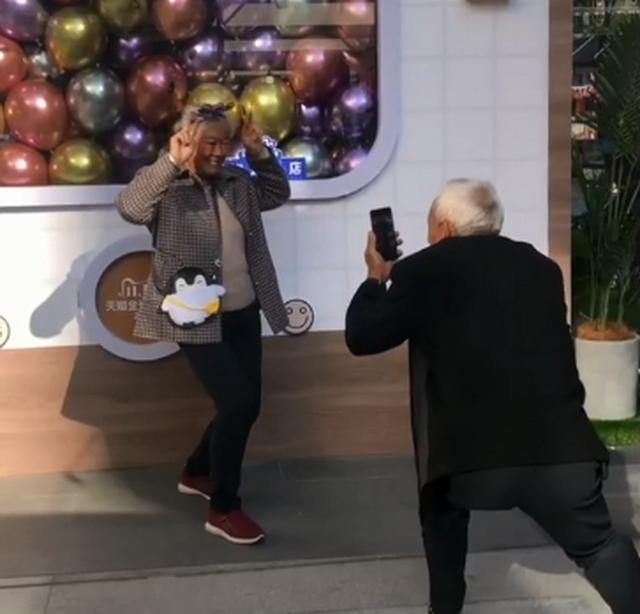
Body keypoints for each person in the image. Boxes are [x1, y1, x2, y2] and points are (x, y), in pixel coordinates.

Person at [345, 179, 640, 614]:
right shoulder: (541, 268)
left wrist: (377, 275)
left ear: (445, 228)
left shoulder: (423, 270)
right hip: (563, 453)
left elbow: (362, 336)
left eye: (430, 227)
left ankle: (445, 607)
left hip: (469, 465)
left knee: (440, 506)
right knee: (600, 546)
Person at [116, 103, 290, 546]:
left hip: (244, 310)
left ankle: (197, 470)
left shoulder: (238, 184)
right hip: (194, 317)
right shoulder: (168, 189)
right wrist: (171, 160)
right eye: (208, 142)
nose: (218, 151)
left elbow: (277, 193)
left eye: (224, 143)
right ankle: (224, 507)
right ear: (188, 142)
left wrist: (259, 153)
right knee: (237, 402)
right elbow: (130, 207)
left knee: (246, 403)